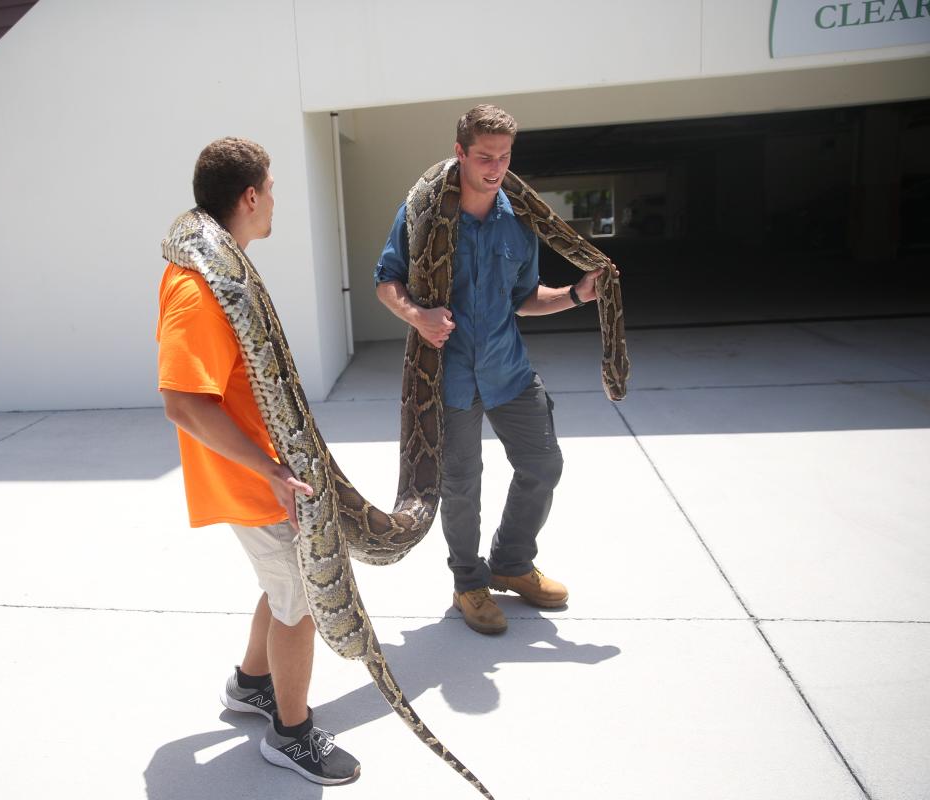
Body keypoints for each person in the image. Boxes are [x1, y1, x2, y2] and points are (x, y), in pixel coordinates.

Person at [157, 137, 360, 785]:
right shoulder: (197, 288)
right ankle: (291, 734)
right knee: (300, 595)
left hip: (262, 468)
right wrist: (273, 471)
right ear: (249, 197)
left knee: (281, 582)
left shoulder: (221, 266)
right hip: (254, 477)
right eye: (271, 188)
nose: (275, 199)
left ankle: (251, 685)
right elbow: (184, 403)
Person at [375, 105, 607, 635]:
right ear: (460, 152)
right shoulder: (423, 211)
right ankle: (468, 582)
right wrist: (417, 315)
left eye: (504, 157)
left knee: (543, 465)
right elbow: (386, 279)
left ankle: (512, 562)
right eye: (484, 156)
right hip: (449, 377)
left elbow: (524, 298)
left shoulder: (519, 220)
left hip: (510, 371)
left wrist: (575, 294)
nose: (496, 167)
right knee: (462, 486)